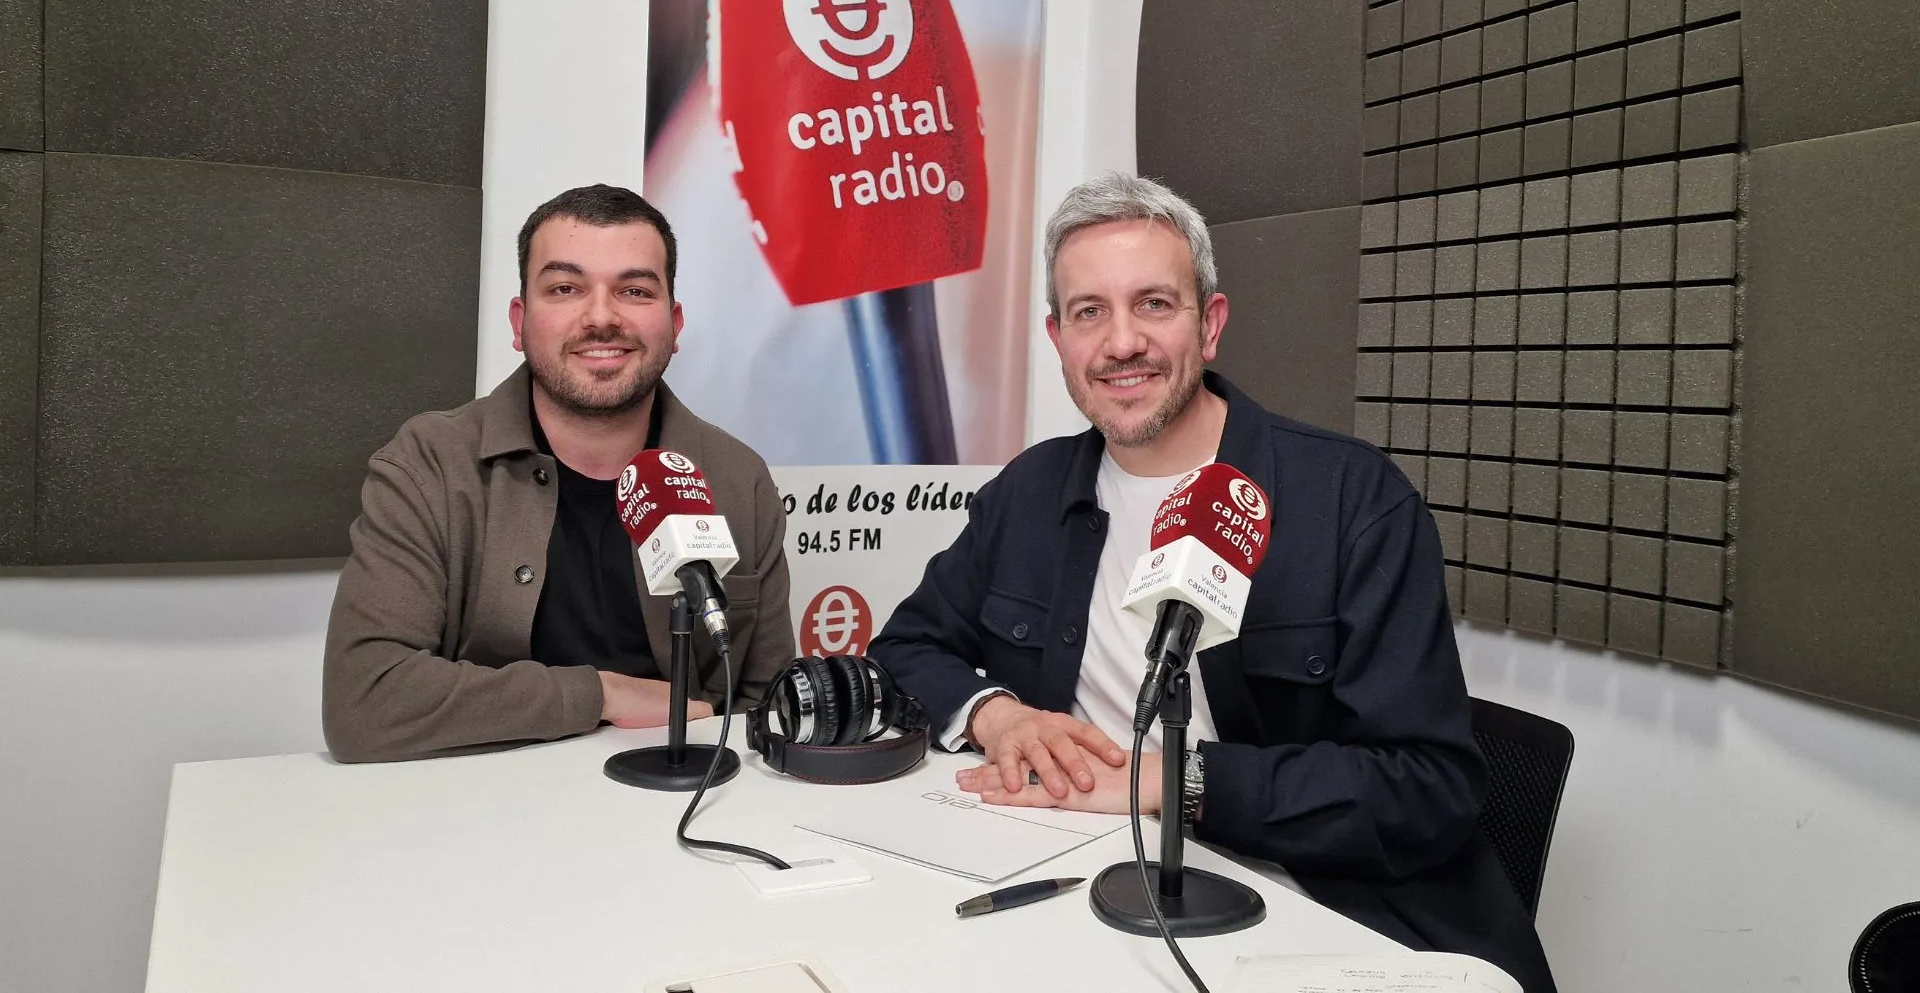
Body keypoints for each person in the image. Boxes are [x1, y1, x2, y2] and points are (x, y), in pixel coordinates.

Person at [869, 174, 1554, 991]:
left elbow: (1428, 788)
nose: (1122, 343)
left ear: (1211, 324)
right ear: (1058, 339)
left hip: (1320, 914)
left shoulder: (1353, 500)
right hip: (1085, 891)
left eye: (1154, 304)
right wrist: (997, 714)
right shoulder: (1028, 492)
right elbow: (905, 648)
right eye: (1089, 312)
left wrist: (1171, 782)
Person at [322, 185, 794, 763]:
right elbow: (364, 703)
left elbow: (769, 709)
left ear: (673, 325)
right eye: (565, 288)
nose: (601, 318)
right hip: (483, 799)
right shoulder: (430, 464)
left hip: (682, 802)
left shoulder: (738, 478)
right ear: (520, 322)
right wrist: (601, 694)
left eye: (635, 290)